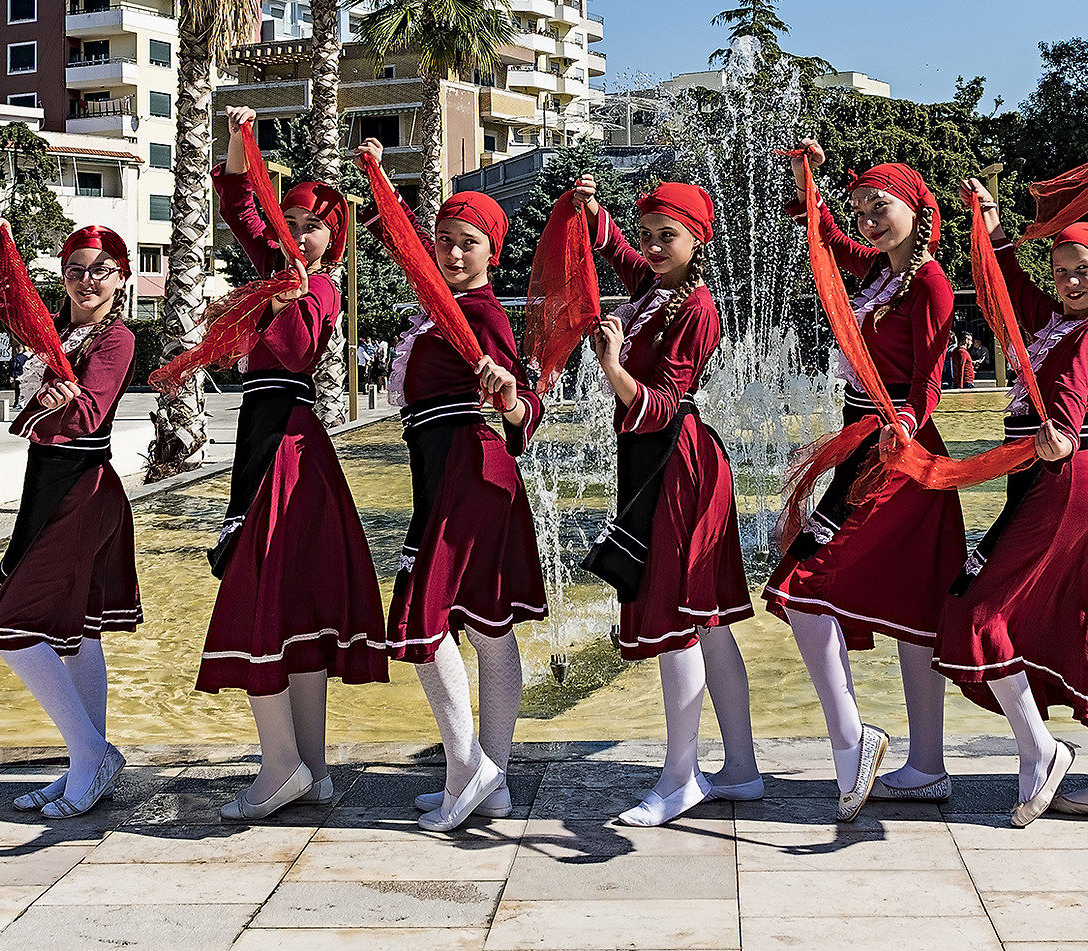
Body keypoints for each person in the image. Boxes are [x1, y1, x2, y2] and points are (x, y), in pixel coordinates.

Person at [764, 144, 963, 820]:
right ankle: (924, 764)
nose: (870, 221)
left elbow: (932, 373)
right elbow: (829, 240)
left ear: (917, 206)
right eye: (862, 210)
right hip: (867, 445)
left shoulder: (930, 279)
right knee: (907, 606)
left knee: (801, 586)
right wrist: (806, 182)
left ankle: (857, 744)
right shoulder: (881, 270)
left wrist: (906, 421)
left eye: (881, 207)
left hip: (898, 453)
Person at [201, 109, 388, 822]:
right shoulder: (276, 269)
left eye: (316, 223)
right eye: (297, 218)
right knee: (298, 610)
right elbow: (238, 201)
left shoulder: (323, 286)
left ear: (334, 239)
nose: (302, 230)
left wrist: (290, 294)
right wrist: (236, 133)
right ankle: (311, 768)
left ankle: (279, 765)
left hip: (287, 443)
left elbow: (301, 343)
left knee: (261, 600)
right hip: (271, 440)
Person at [362, 140, 546, 833]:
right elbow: (398, 240)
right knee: (489, 628)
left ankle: (470, 766)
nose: (453, 253)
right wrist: (375, 175)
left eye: (468, 243)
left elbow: (525, 400)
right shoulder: (439, 306)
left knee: (421, 622)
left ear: (490, 251)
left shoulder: (484, 314)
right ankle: (482, 782)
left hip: (470, 474)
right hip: (454, 475)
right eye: (445, 241)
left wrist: (508, 397)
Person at [937, 184, 1088, 825]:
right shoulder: (1053, 320)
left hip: (1062, 476)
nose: (1071, 281)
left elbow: (1074, 393)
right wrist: (989, 225)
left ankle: (1041, 749)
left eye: (1083, 270)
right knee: (1081, 620)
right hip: (1042, 477)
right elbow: (999, 289)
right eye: (1060, 271)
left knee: (976, 613)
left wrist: (1064, 427)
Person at [575, 174, 760, 827]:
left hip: (677, 464)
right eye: (649, 232)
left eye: (667, 235)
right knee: (706, 622)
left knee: (680, 619)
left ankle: (682, 777)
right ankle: (740, 766)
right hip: (669, 461)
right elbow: (625, 255)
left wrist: (612, 366)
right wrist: (598, 214)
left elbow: (659, 405)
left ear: (697, 239)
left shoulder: (696, 307)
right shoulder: (658, 289)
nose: (652, 245)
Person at [0, 225, 142, 820]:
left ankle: (91, 753)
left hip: (83, 490)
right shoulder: (55, 335)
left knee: (13, 627)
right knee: (79, 633)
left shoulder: (117, 339)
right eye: (75, 268)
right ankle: (84, 766)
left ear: (121, 278)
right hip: (48, 485)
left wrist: (57, 396)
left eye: (101, 269)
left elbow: (91, 411)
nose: (87, 279)